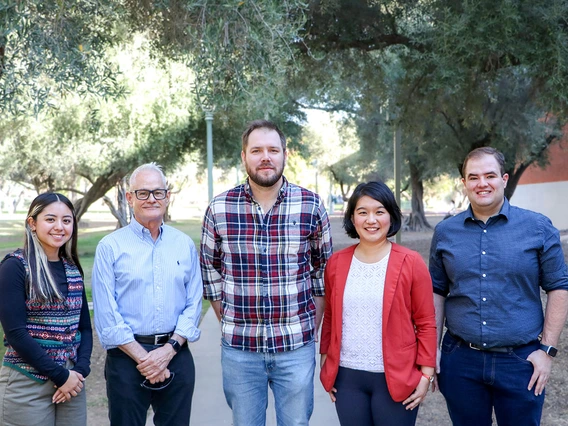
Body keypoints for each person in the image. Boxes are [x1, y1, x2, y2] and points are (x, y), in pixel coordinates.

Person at [200, 119, 333, 426]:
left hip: (295, 348)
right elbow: (210, 272)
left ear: (285, 154)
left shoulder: (310, 205)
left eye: (273, 149)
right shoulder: (220, 208)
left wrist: (311, 327)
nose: (265, 157)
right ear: (243, 156)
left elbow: (322, 271)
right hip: (240, 352)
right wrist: (231, 319)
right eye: (256, 150)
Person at [430, 147, 568, 426]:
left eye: (490, 175)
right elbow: (437, 291)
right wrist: (431, 349)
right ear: (464, 183)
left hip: (521, 362)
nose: (482, 183)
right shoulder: (445, 232)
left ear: (504, 179)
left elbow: (559, 287)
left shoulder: (538, 227)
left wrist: (547, 352)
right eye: (473, 177)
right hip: (461, 361)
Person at [92, 163, 202, 426]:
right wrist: (146, 360)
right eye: (142, 193)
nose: (151, 198)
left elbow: (194, 303)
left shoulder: (183, 244)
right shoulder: (110, 247)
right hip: (127, 360)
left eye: (158, 192)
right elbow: (107, 316)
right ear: (129, 198)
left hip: (176, 356)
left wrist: (167, 352)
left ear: (167, 196)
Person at [320, 181, 437, 426]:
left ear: (391, 216)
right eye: (362, 212)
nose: (371, 220)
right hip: (347, 378)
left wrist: (426, 373)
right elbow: (330, 316)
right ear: (352, 218)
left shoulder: (411, 262)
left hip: (396, 377)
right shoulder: (336, 264)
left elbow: (426, 322)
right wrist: (325, 360)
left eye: (379, 211)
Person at [0, 192, 93, 426]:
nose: (59, 227)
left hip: (72, 381)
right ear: (32, 223)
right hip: (27, 382)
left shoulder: (73, 270)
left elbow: (85, 329)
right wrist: (60, 376)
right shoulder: (15, 267)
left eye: (67, 220)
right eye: (50, 219)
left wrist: (78, 371)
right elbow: (16, 334)